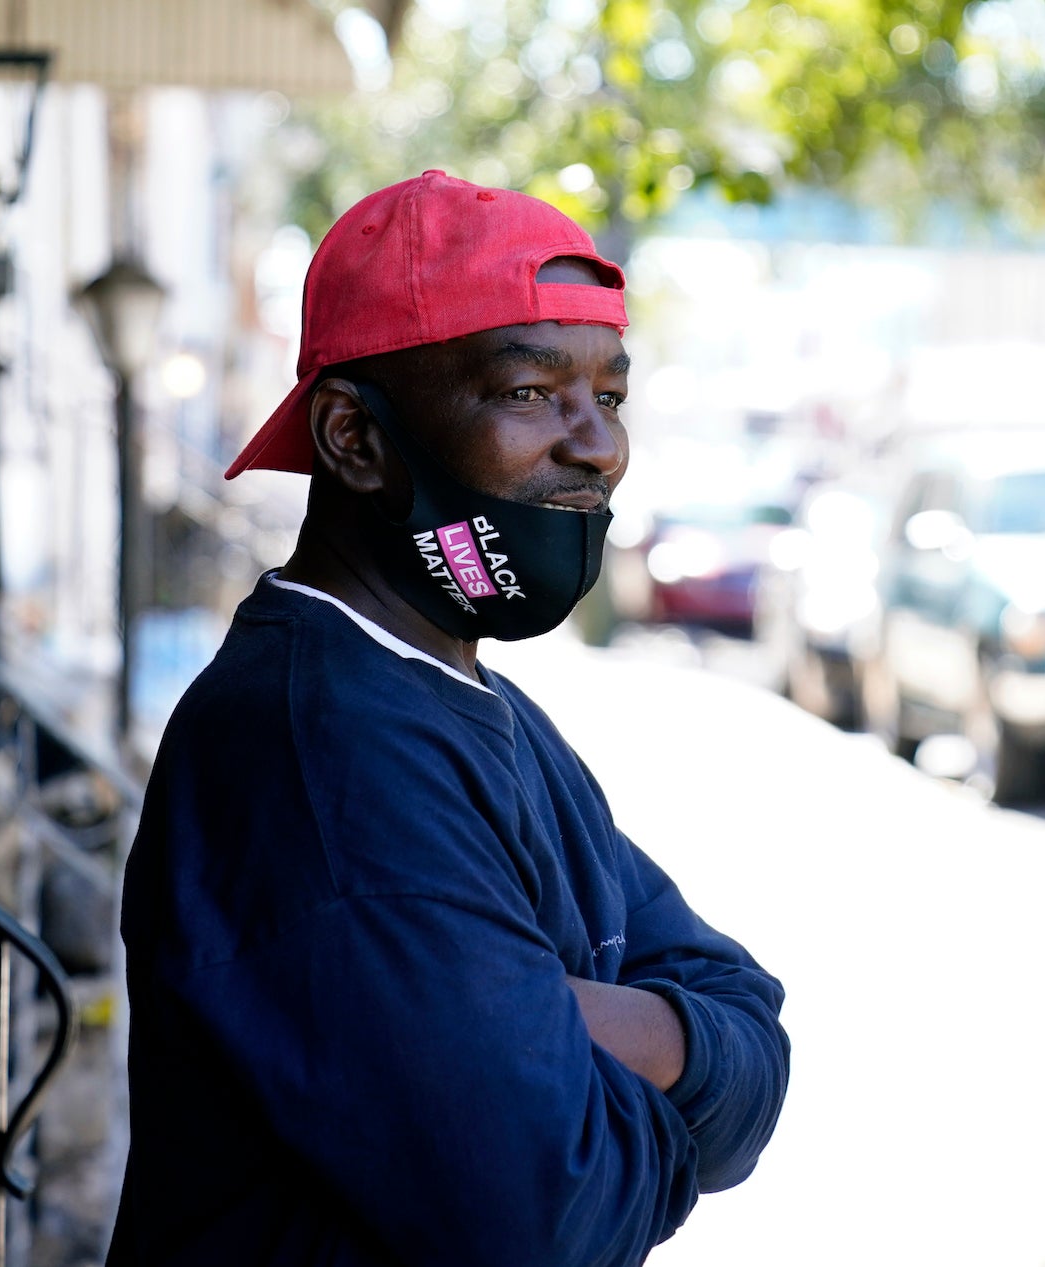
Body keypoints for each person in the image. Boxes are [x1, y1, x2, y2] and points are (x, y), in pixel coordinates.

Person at [107, 171, 789, 1267]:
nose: (597, 446)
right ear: (355, 439)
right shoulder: (322, 750)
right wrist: (666, 1081)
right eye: (529, 391)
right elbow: (546, 1216)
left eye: (608, 397)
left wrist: (569, 1021)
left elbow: (752, 1029)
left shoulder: (489, 712)